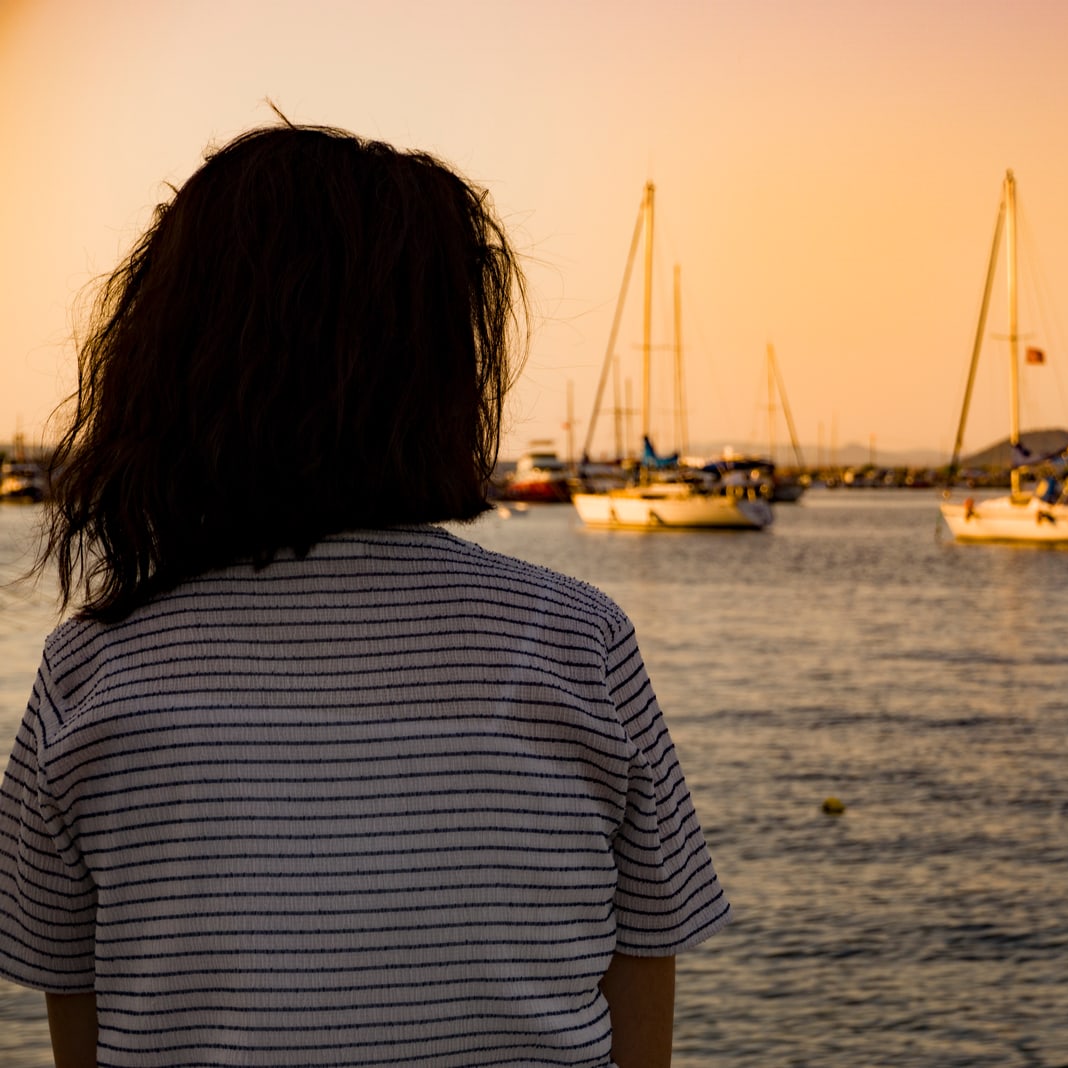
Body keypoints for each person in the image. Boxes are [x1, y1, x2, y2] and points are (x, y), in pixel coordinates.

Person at [0, 122, 728, 1068]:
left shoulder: (96, 665)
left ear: (169, 365)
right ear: (444, 374)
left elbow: (79, 1012)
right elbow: (643, 960)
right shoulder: (573, 638)